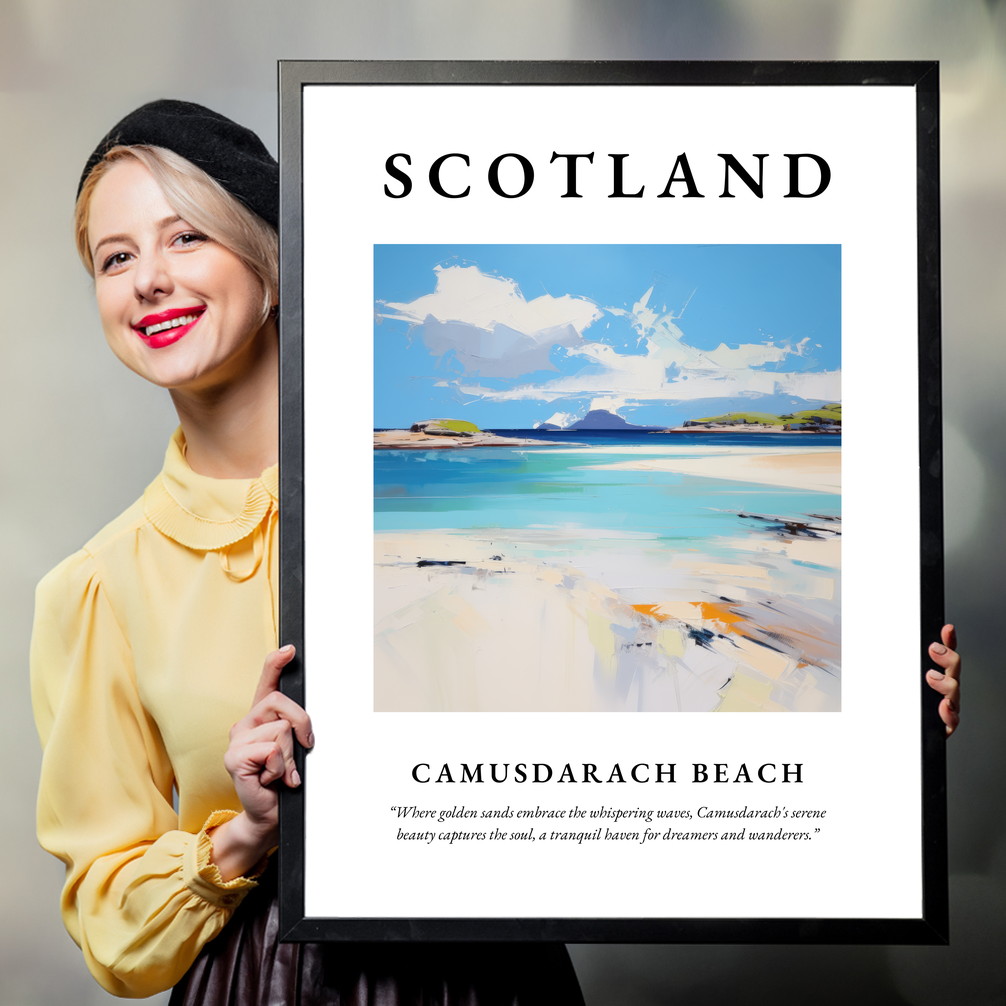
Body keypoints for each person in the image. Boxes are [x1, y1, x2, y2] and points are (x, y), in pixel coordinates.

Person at [30, 100, 585, 1004]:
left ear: (273, 264)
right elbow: (110, 924)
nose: (148, 281)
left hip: (493, 973)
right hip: (262, 982)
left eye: (186, 239)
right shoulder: (97, 587)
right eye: (116, 257)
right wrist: (245, 832)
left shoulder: (452, 501)